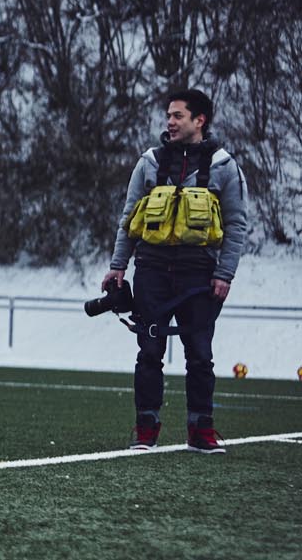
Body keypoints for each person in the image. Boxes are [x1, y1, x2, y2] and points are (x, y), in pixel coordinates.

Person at [104, 88, 248, 454]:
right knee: (149, 352)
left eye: (178, 115)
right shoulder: (149, 162)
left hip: (198, 275)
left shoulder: (224, 166)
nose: (170, 121)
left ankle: (201, 430)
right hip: (151, 270)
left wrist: (224, 274)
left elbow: (236, 225)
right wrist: (118, 266)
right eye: (168, 115)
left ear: (199, 120)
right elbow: (128, 219)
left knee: (199, 355)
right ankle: (145, 429)